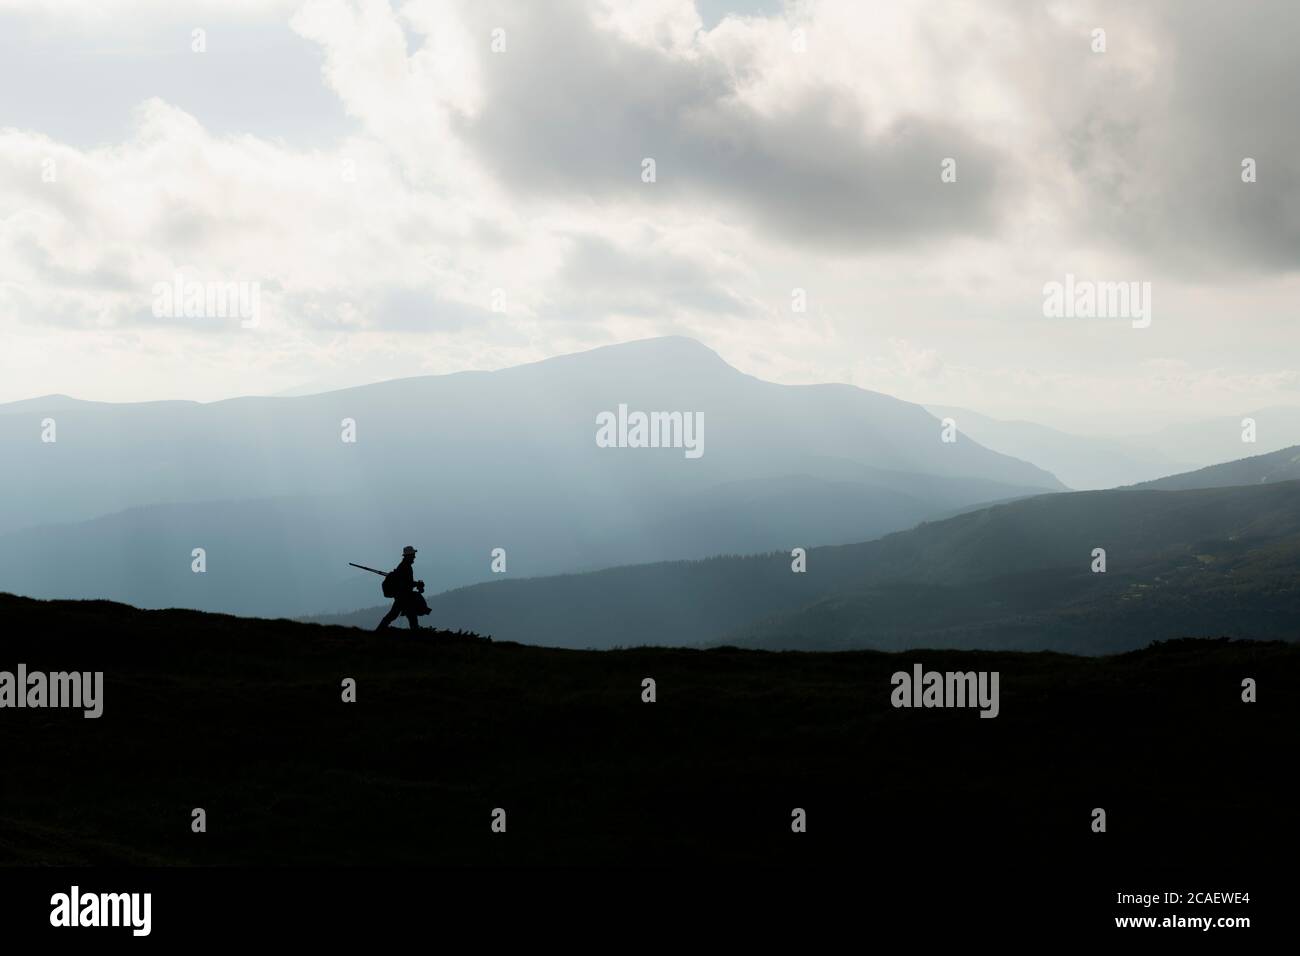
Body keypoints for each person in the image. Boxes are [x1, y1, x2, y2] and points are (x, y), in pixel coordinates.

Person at [376, 545, 431, 630]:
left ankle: (379, 630)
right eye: (413, 555)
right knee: (402, 615)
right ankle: (379, 631)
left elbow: (406, 582)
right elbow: (406, 584)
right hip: (403, 597)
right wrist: (417, 584)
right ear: (408, 556)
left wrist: (416, 584)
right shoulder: (405, 567)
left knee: (398, 615)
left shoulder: (404, 566)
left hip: (402, 596)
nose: (414, 557)